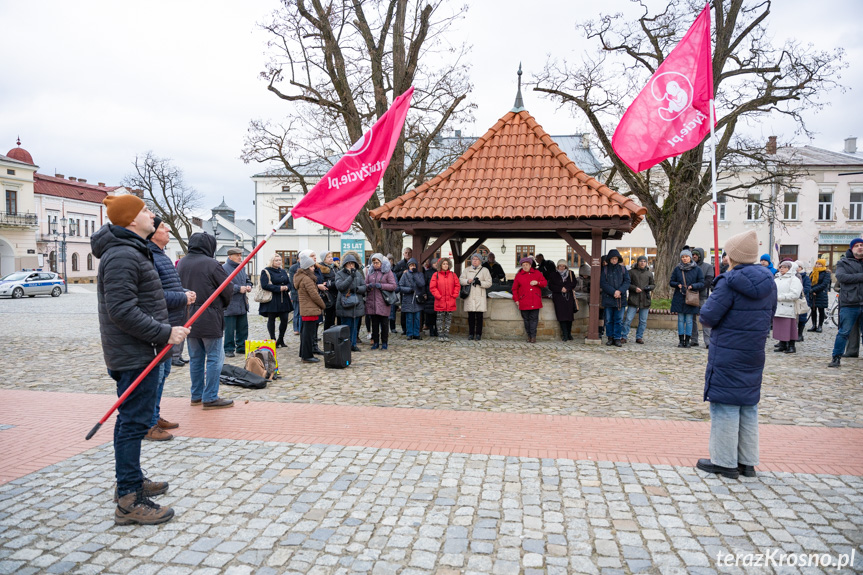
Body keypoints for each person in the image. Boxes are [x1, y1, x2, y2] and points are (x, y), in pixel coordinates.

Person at [92, 194, 189, 524]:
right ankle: (129, 500)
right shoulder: (121, 254)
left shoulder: (134, 249)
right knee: (134, 423)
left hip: (141, 350)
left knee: (133, 420)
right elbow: (121, 311)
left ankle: (129, 482)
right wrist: (165, 333)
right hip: (134, 354)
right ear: (132, 220)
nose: (152, 216)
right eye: (146, 211)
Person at [697, 230, 776, 479]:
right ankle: (747, 461)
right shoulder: (769, 282)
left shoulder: (729, 282)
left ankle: (725, 461)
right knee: (747, 405)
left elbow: (708, 317)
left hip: (728, 351)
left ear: (732, 256)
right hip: (753, 351)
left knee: (725, 405)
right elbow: (770, 315)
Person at [146, 217, 195, 442]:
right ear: (152, 232)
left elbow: (168, 286)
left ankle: (154, 416)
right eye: (163, 226)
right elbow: (154, 296)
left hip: (170, 322)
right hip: (159, 324)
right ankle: (148, 423)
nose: (167, 229)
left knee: (164, 373)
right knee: (155, 376)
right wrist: (182, 297)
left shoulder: (161, 255)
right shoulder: (149, 256)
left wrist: (183, 292)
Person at [178, 233, 233, 410]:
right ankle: (209, 397)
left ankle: (196, 394)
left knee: (195, 358)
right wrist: (222, 305)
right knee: (214, 358)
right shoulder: (211, 264)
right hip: (209, 315)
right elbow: (227, 288)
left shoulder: (182, 263)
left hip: (188, 316)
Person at [828, 238, 863, 368]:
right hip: (849, 303)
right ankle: (836, 357)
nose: (860, 247)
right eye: (857, 246)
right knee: (843, 332)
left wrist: (854, 277)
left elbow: (849, 278)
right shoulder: (843, 262)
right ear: (851, 248)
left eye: (862, 245)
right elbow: (842, 277)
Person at [294, 250, 326, 362]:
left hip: (307, 309)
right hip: (310, 309)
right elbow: (314, 295)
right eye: (312, 267)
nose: (314, 268)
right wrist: (323, 305)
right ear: (307, 267)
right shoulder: (307, 279)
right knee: (308, 334)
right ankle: (307, 356)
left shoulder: (302, 277)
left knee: (305, 333)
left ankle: (304, 354)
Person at [669, 249, 705, 348]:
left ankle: (688, 340)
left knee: (689, 320)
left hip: (691, 297)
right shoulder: (677, 269)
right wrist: (678, 285)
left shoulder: (697, 269)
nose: (684, 258)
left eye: (686, 257)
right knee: (680, 319)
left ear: (690, 257)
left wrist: (693, 286)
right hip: (679, 297)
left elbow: (702, 283)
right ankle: (681, 340)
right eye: (683, 257)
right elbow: (671, 282)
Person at [222, 247, 252, 358]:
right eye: (237, 255)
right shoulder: (224, 268)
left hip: (242, 303)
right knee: (229, 329)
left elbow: (247, 280)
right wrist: (238, 289)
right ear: (230, 256)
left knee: (243, 328)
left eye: (240, 255)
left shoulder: (241, 268)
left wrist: (249, 286)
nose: (240, 257)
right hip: (230, 304)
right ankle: (229, 349)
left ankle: (242, 347)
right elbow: (224, 285)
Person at [258, 254, 293, 347]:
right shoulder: (266, 271)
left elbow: (289, 283)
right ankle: (272, 339)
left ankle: (281, 339)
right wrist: (278, 288)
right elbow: (264, 285)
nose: (278, 262)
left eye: (280, 260)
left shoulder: (283, 271)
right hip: (272, 299)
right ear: (272, 261)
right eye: (276, 260)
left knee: (285, 319)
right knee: (271, 319)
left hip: (283, 298)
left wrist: (287, 287)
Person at [365, 253, 398, 349]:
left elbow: (393, 286)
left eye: (377, 262)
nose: (375, 264)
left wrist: (382, 286)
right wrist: (368, 286)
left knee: (384, 324)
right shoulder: (370, 272)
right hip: (372, 302)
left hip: (383, 301)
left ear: (381, 263)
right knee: (374, 324)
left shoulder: (388, 272)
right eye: (373, 263)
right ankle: (375, 342)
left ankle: (384, 342)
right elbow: (365, 284)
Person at [335, 253, 367, 351]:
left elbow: (364, 286)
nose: (351, 265)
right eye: (349, 264)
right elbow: (340, 287)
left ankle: (353, 344)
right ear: (345, 264)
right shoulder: (339, 274)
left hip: (357, 304)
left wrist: (357, 289)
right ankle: (346, 345)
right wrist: (350, 277)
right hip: (345, 304)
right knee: (346, 327)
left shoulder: (358, 273)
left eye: (352, 263)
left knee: (355, 327)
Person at [512, 256, 547, 343]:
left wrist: (537, 283)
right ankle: (529, 336)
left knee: (534, 319)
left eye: (527, 265)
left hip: (535, 300)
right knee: (526, 320)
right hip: (524, 301)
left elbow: (544, 283)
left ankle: (533, 337)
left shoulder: (537, 273)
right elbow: (514, 289)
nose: (525, 267)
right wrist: (516, 299)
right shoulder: (519, 275)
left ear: (530, 265)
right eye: (523, 265)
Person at [600, 249, 630, 347]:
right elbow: (603, 283)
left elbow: (627, 282)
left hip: (620, 299)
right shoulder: (604, 269)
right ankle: (610, 337)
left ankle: (617, 338)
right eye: (612, 258)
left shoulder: (623, 269)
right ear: (609, 259)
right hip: (609, 298)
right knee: (608, 320)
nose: (614, 260)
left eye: (615, 258)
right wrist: (613, 292)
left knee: (619, 320)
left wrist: (619, 291)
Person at [459, 253, 492, 340]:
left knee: (479, 317)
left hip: (479, 296)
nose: (474, 261)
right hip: (470, 296)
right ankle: (470, 334)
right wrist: (467, 281)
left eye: (476, 259)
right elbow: (461, 280)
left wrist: (480, 283)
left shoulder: (485, 270)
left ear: (480, 261)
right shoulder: (467, 270)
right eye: (473, 259)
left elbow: (489, 283)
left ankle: (478, 334)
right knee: (471, 316)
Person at [773, 261, 803, 354]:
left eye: (785, 267)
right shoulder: (777, 279)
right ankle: (782, 344)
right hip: (777, 307)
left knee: (789, 327)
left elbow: (795, 294)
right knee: (779, 327)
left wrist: (780, 297)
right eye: (781, 267)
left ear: (790, 269)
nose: (781, 268)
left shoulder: (794, 279)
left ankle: (791, 346)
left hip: (788, 306)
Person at [623, 255, 654, 344]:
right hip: (634, 298)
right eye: (641, 261)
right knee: (628, 319)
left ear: (646, 263)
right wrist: (634, 288)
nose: (642, 263)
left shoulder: (649, 273)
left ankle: (639, 337)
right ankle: (624, 336)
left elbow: (653, 284)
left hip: (645, 299)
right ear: (638, 262)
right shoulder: (631, 272)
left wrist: (649, 287)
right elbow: (627, 284)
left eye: (644, 261)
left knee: (643, 321)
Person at [429, 257, 460, 342]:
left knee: (448, 319)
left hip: (450, 300)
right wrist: (438, 296)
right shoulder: (436, 275)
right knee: (439, 319)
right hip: (440, 301)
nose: (445, 265)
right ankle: (440, 335)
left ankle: (446, 334)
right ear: (440, 265)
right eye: (444, 264)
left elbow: (457, 286)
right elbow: (432, 287)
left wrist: (454, 295)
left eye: (447, 264)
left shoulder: (453, 275)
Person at [549, 259, 578, 341]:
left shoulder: (571, 273)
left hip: (569, 297)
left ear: (566, 266)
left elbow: (574, 283)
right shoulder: (553, 274)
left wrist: (567, 288)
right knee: (561, 317)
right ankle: (565, 334)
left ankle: (569, 334)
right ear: (557, 266)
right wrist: (560, 288)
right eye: (560, 266)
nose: (561, 267)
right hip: (559, 298)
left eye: (563, 266)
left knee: (569, 317)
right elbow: (551, 285)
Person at [690, 248, 714, 348]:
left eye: (696, 254)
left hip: (703, 296)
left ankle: (708, 341)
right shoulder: (690, 267)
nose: (694, 256)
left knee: (705, 319)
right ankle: (694, 340)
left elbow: (708, 281)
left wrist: (696, 287)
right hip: (691, 296)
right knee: (692, 319)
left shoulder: (708, 267)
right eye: (693, 254)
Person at [399, 257, 426, 340]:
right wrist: (408, 290)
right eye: (411, 265)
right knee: (409, 318)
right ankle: (409, 334)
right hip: (408, 299)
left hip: (417, 300)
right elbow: (400, 286)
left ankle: (416, 333)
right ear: (408, 266)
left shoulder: (420, 274)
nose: (412, 267)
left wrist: (415, 275)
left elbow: (422, 284)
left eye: (414, 265)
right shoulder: (405, 275)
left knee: (417, 318)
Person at [393, 247, 413, 334]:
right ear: (403, 254)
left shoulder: (413, 263)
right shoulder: (400, 264)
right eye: (406, 253)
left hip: (412, 290)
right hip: (403, 290)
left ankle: (411, 328)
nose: (407, 254)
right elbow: (394, 275)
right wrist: (402, 273)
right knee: (404, 310)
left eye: (409, 253)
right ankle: (404, 328)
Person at [808, 258, 831, 332]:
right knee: (813, 310)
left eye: (819, 264)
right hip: (813, 294)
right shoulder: (812, 272)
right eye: (817, 263)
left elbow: (824, 284)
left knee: (821, 310)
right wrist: (811, 290)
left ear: (823, 265)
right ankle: (814, 325)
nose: (817, 265)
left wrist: (814, 290)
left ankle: (820, 326)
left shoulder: (826, 273)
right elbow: (809, 282)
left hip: (821, 294)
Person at [318, 252, 338, 330]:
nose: (331, 258)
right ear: (324, 259)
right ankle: (327, 334)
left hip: (336, 294)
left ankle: (332, 334)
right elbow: (324, 283)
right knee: (328, 317)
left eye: (331, 256)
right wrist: (335, 283)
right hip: (328, 295)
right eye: (328, 257)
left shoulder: (335, 267)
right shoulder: (321, 269)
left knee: (333, 317)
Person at [795, 260, 811, 342]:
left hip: (802, 300)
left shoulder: (805, 277)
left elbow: (807, 288)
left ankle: (800, 334)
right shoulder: (793, 276)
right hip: (794, 300)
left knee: (802, 317)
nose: (797, 268)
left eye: (798, 266)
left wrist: (798, 292)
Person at [423, 258, 439, 337]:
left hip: (438, 296)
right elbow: (425, 284)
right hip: (430, 296)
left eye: (437, 263)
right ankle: (431, 330)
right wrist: (425, 293)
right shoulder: (428, 273)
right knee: (430, 315)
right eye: (434, 263)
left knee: (437, 315)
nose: (436, 264)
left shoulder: (441, 273)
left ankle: (437, 330)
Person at [288, 258, 302, 335]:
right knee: (296, 312)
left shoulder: (305, 266)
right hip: (296, 293)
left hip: (302, 294)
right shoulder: (293, 268)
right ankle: (296, 329)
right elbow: (292, 281)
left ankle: (300, 328)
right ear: (298, 259)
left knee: (301, 313)